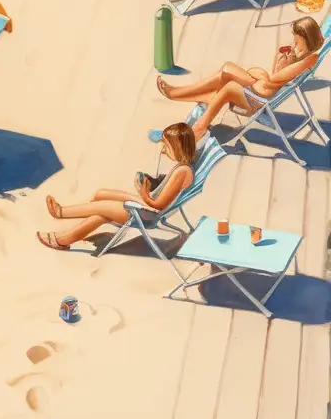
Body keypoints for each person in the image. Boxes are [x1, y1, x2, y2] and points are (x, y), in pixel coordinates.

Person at [157, 16, 325, 139]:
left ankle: (198, 128)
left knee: (229, 87)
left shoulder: (309, 59)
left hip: (258, 100)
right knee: (227, 69)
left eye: (297, 41)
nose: (295, 43)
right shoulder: (303, 54)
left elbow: (275, 80)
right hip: (261, 88)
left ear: (306, 38)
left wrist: (284, 63)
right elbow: (276, 77)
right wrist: (280, 60)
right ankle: (183, 94)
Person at [38, 123, 197, 250]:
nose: (163, 150)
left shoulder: (182, 171)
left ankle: (63, 230)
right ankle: (64, 222)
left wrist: (144, 193)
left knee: (101, 210)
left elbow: (159, 204)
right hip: (149, 206)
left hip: (149, 213)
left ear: (177, 147)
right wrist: (148, 185)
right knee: (101, 194)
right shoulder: (183, 166)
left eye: (167, 146)